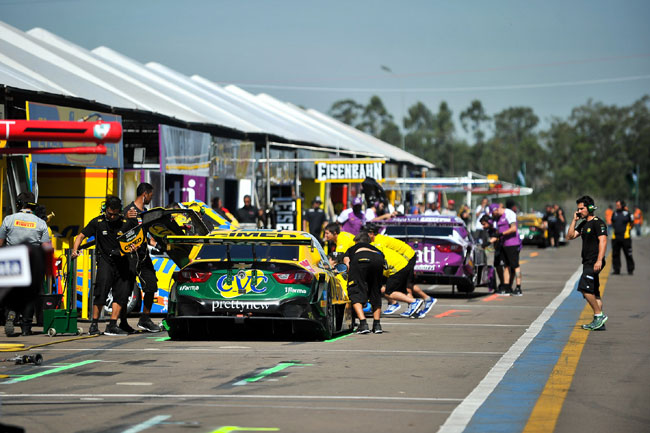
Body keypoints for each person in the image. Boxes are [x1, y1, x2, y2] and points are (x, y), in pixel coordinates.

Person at [72, 195, 138, 336]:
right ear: (105, 210)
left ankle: (113, 324)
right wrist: (75, 250)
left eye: (115, 214)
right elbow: (81, 236)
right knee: (101, 292)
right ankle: (94, 324)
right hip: (105, 261)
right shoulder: (98, 222)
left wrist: (133, 247)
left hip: (122, 262)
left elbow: (136, 239)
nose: (112, 217)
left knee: (121, 294)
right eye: (110, 214)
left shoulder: (126, 222)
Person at [0, 191, 52, 336]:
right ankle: (26, 327)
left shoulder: (9, 219)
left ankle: (11, 313)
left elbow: (0, 242)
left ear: (18, 204)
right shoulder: (41, 223)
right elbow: (46, 247)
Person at [364, 224, 437, 319]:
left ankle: (420, 301)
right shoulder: (376, 240)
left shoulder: (379, 242)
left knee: (404, 286)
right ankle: (416, 308)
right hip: (402, 260)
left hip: (407, 258)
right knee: (402, 286)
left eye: (365, 233)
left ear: (372, 233)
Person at [123, 183, 162, 333]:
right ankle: (122, 323)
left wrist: (157, 243)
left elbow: (146, 236)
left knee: (151, 285)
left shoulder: (145, 213)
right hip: (129, 257)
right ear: (145, 194)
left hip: (144, 256)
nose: (151, 198)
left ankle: (144, 319)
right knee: (125, 290)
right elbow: (122, 233)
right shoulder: (129, 212)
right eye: (151, 195)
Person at [566, 195, 608, 330]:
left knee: (584, 289)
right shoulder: (584, 224)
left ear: (590, 208)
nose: (579, 211)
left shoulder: (598, 222)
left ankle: (598, 315)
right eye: (578, 209)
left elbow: (603, 241)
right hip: (587, 262)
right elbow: (569, 236)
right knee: (594, 292)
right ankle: (600, 324)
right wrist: (574, 220)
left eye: (581, 208)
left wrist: (599, 260)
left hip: (594, 261)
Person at [343, 232, 385, 334]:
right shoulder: (376, 249)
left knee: (355, 290)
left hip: (360, 258)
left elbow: (347, 265)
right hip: (378, 259)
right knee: (375, 291)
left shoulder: (353, 248)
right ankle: (377, 325)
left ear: (357, 241)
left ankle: (363, 324)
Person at [492, 202, 522, 296]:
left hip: (512, 244)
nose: (493, 215)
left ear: (497, 209)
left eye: (493, 213)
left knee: (515, 266)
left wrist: (501, 234)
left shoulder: (509, 214)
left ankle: (518, 287)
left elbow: (513, 228)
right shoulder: (498, 218)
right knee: (506, 266)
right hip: (504, 244)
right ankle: (506, 287)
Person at [610, 200, 635, 275]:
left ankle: (630, 270)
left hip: (625, 238)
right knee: (615, 255)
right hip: (615, 237)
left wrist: (629, 230)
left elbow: (632, 223)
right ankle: (616, 270)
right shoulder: (614, 213)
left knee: (628, 254)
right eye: (616, 205)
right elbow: (612, 222)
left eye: (618, 205)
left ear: (622, 205)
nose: (617, 206)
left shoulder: (628, 214)